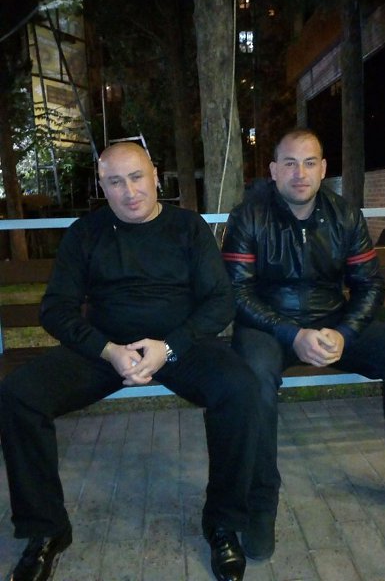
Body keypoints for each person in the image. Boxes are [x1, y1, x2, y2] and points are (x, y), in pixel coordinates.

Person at [0, 142, 260, 581]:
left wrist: (169, 347)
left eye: (137, 177)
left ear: (156, 176)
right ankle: (45, 529)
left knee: (240, 388)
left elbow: (220, 301)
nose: (130, 191)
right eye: (115, 182)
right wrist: (108, 350)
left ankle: (223, 522)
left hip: (180, 347)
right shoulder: (86, 233)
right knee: (19, 395)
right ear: (102, 187)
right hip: (105, 351)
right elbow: (56, 309)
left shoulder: (188, 227)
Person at [221, 127, 385, 560]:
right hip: (268, 326)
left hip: (331, 321)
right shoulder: (248, 216)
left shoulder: (344, 215)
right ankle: (261, 498)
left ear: (324, 168)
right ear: (273, 170)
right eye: (289, 163)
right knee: (253, 376)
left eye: (309, 163)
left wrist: (344, 334)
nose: (300, 173)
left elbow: (370, 285)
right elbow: (237, 293)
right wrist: (292, 334)